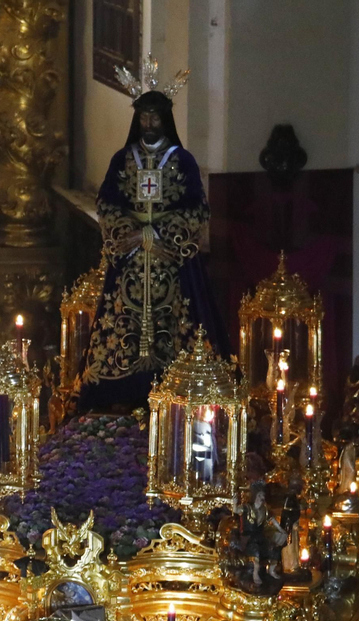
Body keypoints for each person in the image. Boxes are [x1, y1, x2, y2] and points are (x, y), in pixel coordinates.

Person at [80, 81, 229, 411]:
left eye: (155, 118)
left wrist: (155, 234)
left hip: (171, 261)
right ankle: (117, 399)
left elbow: (197, 209)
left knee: (179, 322)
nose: (149, 124)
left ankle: (177, 392)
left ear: (166, 120)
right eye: (144, 118)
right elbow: (106, 204)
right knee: (119, 322)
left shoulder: (183, 161)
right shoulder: (123, 160)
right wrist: (133, 234)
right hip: (131, 261)